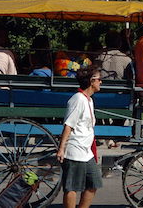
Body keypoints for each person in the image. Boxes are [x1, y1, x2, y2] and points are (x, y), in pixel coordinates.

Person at [57, 66, 103, 207]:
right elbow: (68, 125)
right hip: (75, 150)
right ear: (91, 81)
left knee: (94, 182)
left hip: (86, 151)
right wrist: (61, 148)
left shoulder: (89, 100)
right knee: (72, 187)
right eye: (99, 79)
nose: (101, 82)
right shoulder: (77, 99)